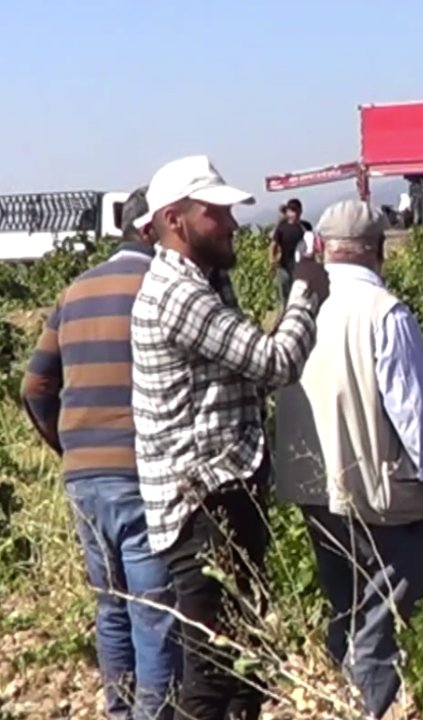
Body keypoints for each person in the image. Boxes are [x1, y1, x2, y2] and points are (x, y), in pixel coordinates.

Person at [129, 154, 330, 719]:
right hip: (202, 506)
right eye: (216, 213)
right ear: (175, 220)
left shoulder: (208, 282)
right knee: (214, 672)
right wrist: (305, 293)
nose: (234, 224)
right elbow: (274, 361)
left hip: (223, 495)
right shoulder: (179, 294)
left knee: (245, 666)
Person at [274, 199, 423, 720]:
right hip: (378, 490)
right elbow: (412, 410)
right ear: (378, 251)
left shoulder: (300, 308)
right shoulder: (385, 312)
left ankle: (345, 701)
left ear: (324, 251)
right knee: (381, 616)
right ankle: (367, 708)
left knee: (346, 606)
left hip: (312, 486)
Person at [20, 186, 182, 720]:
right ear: (147, 231)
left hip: (84, 476)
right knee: (153, 610)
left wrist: (67, 445)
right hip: (140, 472)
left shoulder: (74, 291)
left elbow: (35, 385)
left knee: (111, 606)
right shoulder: (161, 289)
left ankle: (120, 710)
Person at [271, 198, 313, 305]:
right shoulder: (282, 228)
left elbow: (311, 244)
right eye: (292, 211)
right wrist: (272, 262)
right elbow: (274, 245)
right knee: (286, 296)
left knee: (302, 294)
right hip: (284, 267)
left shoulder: (306, 227)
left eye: (297, 210)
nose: (295, 213)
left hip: (302, 267)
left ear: (301, 211)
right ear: (288, 212)